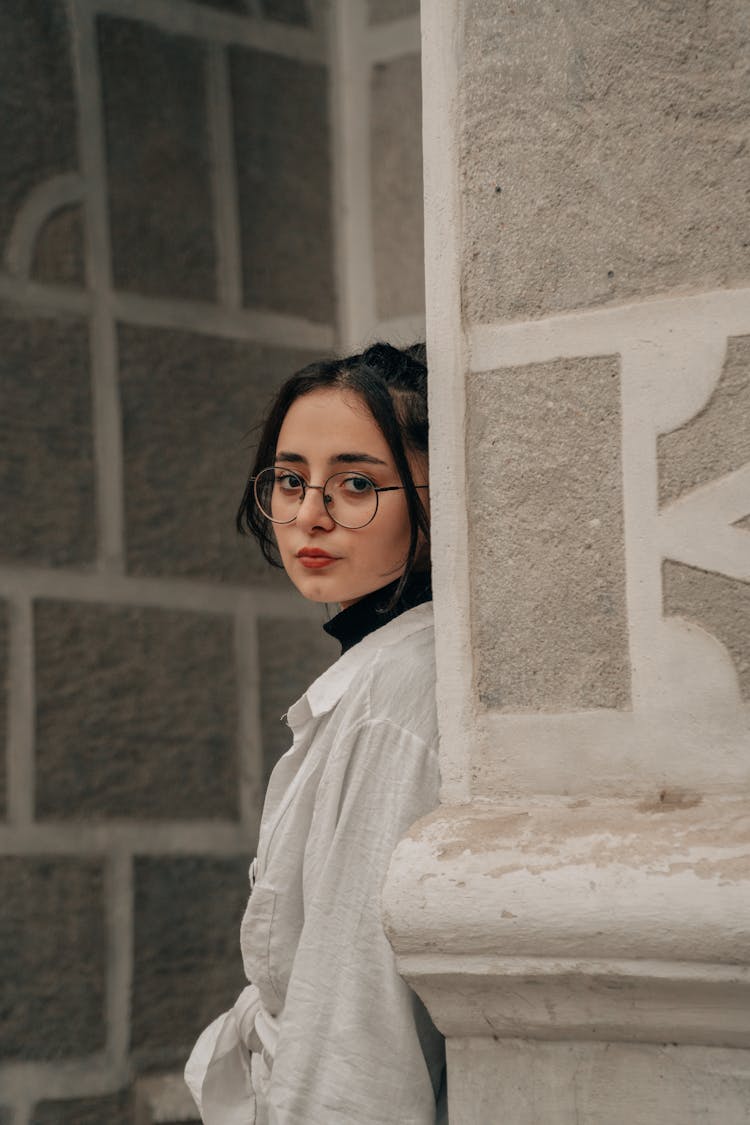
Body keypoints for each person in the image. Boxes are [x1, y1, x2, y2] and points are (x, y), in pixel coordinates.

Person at [185, 342, 446, 1124]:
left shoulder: (395, 697)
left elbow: (354, 1039)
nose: (309, 515)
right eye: (292, 479)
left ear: (441, 492)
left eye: (356, 483)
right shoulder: (382, 672)